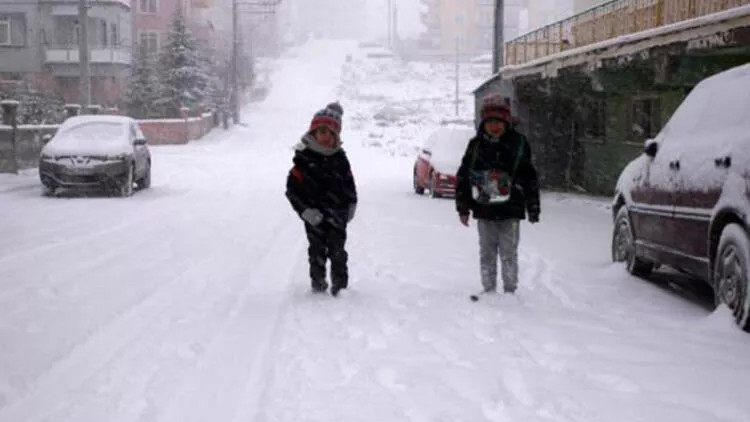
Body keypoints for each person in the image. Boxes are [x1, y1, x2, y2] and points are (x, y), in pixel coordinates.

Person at [455, 94, 540, 298]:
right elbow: (464, 175)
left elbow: (529, 176)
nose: (494, 127)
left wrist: (533, 205)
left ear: (507, 122)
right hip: (484, 210)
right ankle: (489, 289)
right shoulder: (475, 146)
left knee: (509, 253)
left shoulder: (519, 143)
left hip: (511, 211)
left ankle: (510, 291)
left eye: (499, 122)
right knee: (487, 253)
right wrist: (463, 207)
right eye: (490, 122)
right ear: (484, 122)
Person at [285, 104, 357, 296]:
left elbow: (349, 182)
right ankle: (318, 284)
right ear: (314, 132)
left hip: (338, 213)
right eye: (322, 132)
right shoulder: (304, 159)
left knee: (338, 251)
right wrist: (305, 210)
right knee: (317, 250)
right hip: (314, 215)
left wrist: (351, 203)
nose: (327, 137)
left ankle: (340, 287)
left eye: (331, 133)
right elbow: (292, 190)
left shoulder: (340, 158)